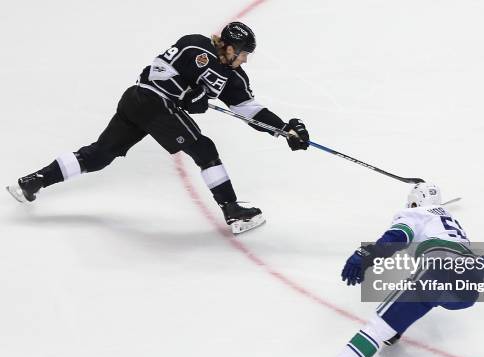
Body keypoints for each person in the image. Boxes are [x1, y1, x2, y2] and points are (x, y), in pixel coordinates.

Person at [6, 22, 310, 234]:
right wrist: (190, 95)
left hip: (140, 102)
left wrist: (284, 129)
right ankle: (232, 211)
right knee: (205, 150)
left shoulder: (234, 78)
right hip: (151, 100)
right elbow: (159, 70)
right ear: (228, 47)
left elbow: (247, 109)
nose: (244, 59)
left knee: (99, 156)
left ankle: (32, 182)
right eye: (242, 52)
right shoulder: (196, 44)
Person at [307, 183, 484, 357]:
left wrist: (365, 255)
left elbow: (395, 238)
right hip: (471, 283)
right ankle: (394, 330)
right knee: (426, 294)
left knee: (381, 322)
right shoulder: (447, 218)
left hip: (441, 266)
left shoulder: (414, 213)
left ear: (415, 201)